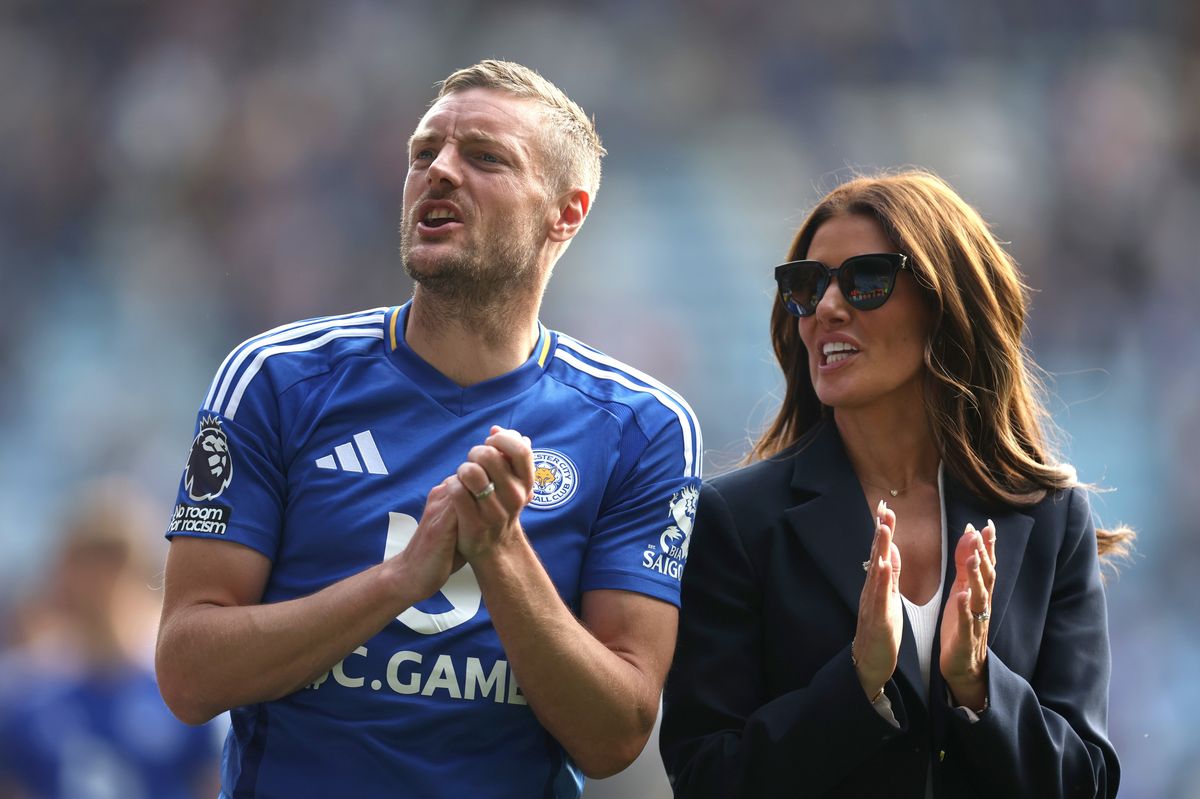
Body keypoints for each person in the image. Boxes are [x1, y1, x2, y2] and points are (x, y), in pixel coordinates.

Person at [154, 59, 702, 799]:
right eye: (424, 152)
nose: (439, 171)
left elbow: (616, 735)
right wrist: (399, 580)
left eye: (484, 157)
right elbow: (187, 673)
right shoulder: (275, 379)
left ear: (565, 213)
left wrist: (502, 555)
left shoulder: (642, 428)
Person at [659, 169, 1130, 798]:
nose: (826, 307)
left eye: (866, 280)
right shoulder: (736, 521)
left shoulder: (1048, 517)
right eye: (807, 285)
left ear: (945, 303)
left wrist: (978, 684)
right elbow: (705, 781)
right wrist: (856, 686)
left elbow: (1087, 784)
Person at [0, 477, 220, 799]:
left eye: (115, 563)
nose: (102, 583)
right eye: (88, 564)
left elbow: (214, 786)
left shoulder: (184, 690)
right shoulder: (25, 695)